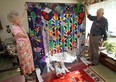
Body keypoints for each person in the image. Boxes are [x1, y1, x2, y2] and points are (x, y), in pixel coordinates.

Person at [7, 6, 35, 75]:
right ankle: (27, 73)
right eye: (17, 18)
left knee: (29, 58)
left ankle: (31, 71)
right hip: (22, 46)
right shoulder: (14, 28)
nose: (19, 19)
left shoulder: (18, 23)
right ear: (13, 20)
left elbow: (23, 17)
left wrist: (25, 9)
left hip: (27, 44)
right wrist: (22, 26)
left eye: (18, 17)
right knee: (25, 60)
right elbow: (25, 35)